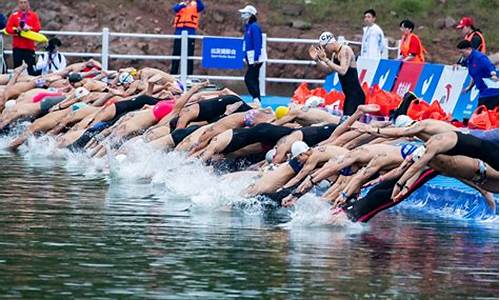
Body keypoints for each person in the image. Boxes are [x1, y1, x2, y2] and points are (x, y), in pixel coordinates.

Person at [309, 32, 365, 116]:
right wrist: (317, 61)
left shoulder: (345, 50)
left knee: (349, 125)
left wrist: (326, 60)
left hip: (356, 95)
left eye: (325, 47)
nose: (325, 50)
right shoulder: (335, 54)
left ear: (331, 43)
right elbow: (329, 70)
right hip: (349, 96)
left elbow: (343, 70)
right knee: (345, 123)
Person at [458, 40, 499, 110]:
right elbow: (475, 75)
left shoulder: (479, 57)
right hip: (483, 93)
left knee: (483, 116)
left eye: (462, 52)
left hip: (492, 93)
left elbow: (490, 66)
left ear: (469, 49)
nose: (461, 55)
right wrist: (469, 87)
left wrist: (493, 75)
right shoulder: (468, 60)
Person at [5, 0, 41, 75]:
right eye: (21, 2)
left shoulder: (33, 15)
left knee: (31, 70)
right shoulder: (14, 16)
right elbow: (8, 29)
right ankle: (15, 85)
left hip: (29, 47)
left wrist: (29, 28)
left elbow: (38, 28)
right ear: (18, 4)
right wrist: (17, 30)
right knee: (17, 70)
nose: (23, 4)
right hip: (17, 47)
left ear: (28, 3)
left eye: (25, 2)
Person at [240, 5, 266, 104]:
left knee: (249, 78)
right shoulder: (248, 27)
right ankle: (257, 99)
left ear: (250, 15)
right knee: (254, 78)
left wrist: (256, 57)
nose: (242, 15)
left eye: (244, 13)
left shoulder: (254, 27)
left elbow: (257, 43)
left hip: (255, 58)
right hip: (251, 57)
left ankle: (256, 98)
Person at [170, 0, 205, 75]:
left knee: (189, 55)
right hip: (179, 32)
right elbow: (175, 8)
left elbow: (201, 7)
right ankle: (173, 74)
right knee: (176, 53)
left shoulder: (196, 4)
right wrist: (184, 4)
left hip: (190, 32)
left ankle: (188, 75)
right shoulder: (181, 4)